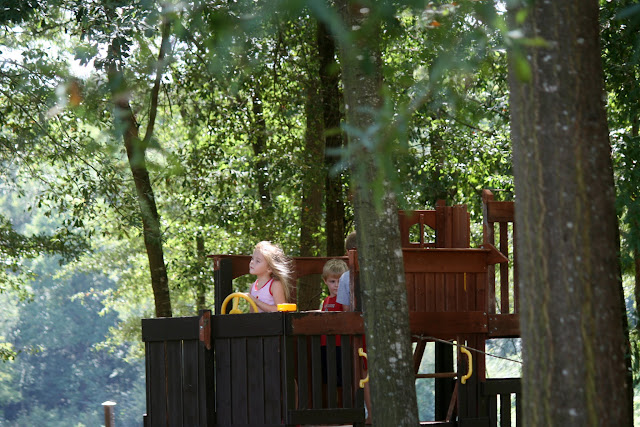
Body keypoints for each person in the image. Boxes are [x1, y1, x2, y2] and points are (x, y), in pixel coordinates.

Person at [334, 231, 372, 423]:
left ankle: (371, 414)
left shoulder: (346, 277)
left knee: (364, 372)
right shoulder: (380, 273)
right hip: (377, 328)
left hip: (360, 329)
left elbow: (346, 309)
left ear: (350, 252)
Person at [320, 259, 349, 389]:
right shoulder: (326, 300)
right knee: (328, 379)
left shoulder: (344, 300)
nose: (337, 285)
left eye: (340, 281)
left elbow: (347, 314)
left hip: (340, 344)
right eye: (332, 281)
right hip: (325, 344)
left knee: (343, 379)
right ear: (325, 281)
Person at [247, 241, 293, 312]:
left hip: (273, 319)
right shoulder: (252, 287)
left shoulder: (275, 285)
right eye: (252, 258)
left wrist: (256, 301)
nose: (252, 262)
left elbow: (280, 310)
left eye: (258, 261)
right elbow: (252, 313)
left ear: (269, 268)